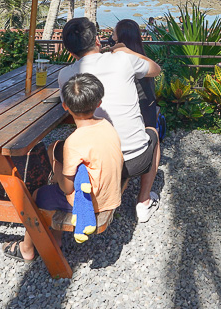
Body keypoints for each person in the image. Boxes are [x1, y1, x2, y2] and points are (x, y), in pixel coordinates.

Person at [3, 73, 123, 262]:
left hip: (91, 203)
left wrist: (57, 173)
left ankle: (27, 249)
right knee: (57, 163)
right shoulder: (106, 125)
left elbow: (67, 188)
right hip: (110, 193)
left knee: (37, 196)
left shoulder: (75, 141)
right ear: (99, 103)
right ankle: (55, 238)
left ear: (65, 106)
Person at [58, 17, 163, 223]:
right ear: (98, 40)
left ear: (70, 51)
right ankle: (143, 200)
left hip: (95, 162)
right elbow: (155, 69)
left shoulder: (66, 75)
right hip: (135, 161)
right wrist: (127, 51)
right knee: (153, 133)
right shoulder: (122, 60)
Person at [112, 18, 161, 131]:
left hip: (136, 107)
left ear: (120, 36)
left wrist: (123, 50)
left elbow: (157, 69)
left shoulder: (125, 58)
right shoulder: (140, 56)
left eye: (114, 33)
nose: (112, 35)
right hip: (147, 104)